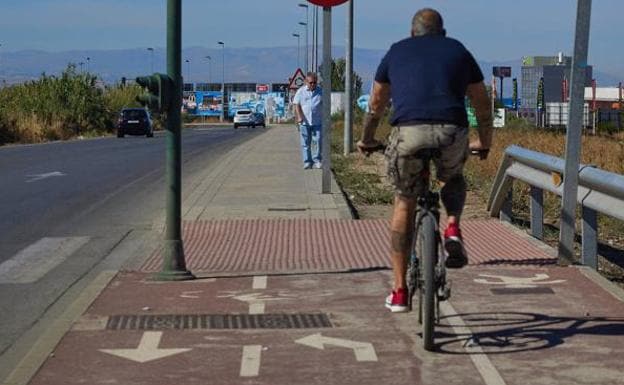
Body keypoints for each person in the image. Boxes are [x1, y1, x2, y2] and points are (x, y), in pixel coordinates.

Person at [356, 8, 493, 313]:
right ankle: (453, 227)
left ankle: (400, 291)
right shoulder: (458, 50)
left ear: (412, 31)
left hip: (409, 133)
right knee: (452, 176)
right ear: (442, 32)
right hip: (451, 130)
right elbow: (482, 104)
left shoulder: (396, 52)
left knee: (404, 201)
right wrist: (485, 141)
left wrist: (367, 138)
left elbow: (376, 104)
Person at [293, 72, 323, 169]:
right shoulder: (301, 91)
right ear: (306, 82)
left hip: (317, 121)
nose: (313, 84)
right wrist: (299, 116)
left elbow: (325, 104)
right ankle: (307, 162)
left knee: (317, 141)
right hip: (304, 122)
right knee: (305, 142)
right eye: (310, 83)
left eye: (314, 82)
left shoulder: (320, 91)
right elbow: (296, 104)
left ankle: (317, 160)